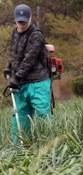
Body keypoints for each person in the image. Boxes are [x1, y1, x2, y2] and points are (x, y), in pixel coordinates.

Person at [3, 4, 51, 144]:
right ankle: (19, 150)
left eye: (24, 21)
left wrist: (16, 77)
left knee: (43, 115)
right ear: (15, 20)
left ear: (30, 18)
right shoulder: (15, 32)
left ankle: (49, 146)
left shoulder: (36, 35)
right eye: (19, 21)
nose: (22, 24)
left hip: (38, 82)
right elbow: (15, 54)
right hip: (21, 84)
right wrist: (9, 68)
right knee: (20, 117)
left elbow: (29, 59)